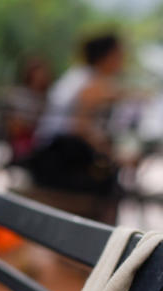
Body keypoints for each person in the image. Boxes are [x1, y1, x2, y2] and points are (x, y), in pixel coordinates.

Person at [28, 33, 126, 197]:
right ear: (107, 56)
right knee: (110, 184)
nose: (122, 59)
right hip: (56, 159)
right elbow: (81, 128)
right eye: (119, 54)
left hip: (53, 154)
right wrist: (114, 155)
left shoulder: (82, 75)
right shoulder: (89, 81)